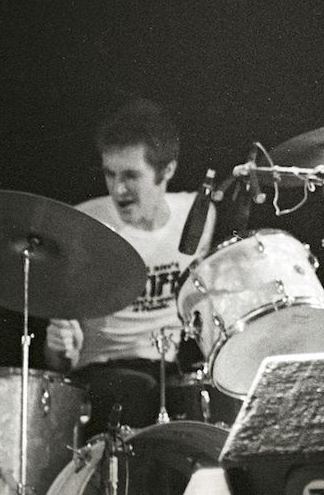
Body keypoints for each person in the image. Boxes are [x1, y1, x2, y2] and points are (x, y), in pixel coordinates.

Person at [45, 98, 215, 436]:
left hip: (172, 375)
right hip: (102, 379)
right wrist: (58, 346)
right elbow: (57, 360)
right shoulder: (82, 224)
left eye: (131, 176)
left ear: (166, 171)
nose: (118, 190)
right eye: (110, 174)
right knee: (133, 392)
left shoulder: (199, 217)